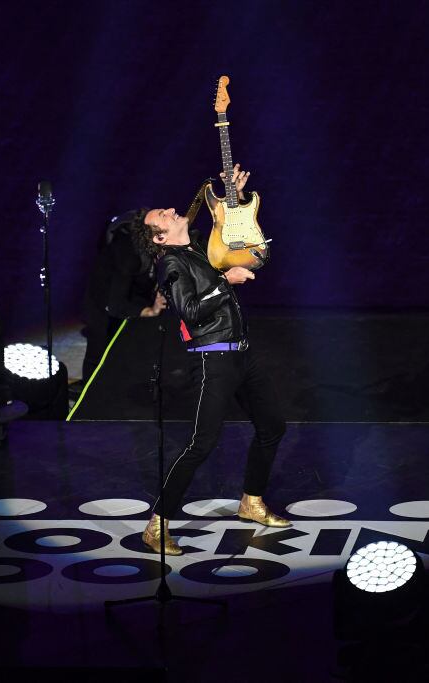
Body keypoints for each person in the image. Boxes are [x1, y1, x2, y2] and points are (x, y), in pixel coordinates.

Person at [131, 164, 289, 556]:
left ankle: (251, 501)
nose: (170, 211)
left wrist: (231, 203)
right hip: (213, 359)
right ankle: (157, 524)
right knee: (202, 444)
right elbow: (189, 310)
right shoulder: (171, 263)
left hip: (242, 354)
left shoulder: (194, 249)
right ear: (160, 236)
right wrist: (224, 282)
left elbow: (239, 248)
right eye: (162, 217)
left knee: (272, 426)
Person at [80, 209, 167, 381]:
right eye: (163, 215)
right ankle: (89, 399)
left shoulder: (154, 248)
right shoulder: (128, 255)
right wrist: (150, 311)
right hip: (104, 305)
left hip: (127, 298)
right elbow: (116, 304)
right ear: (156, 235)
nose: (171, 212)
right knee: (98, 356)